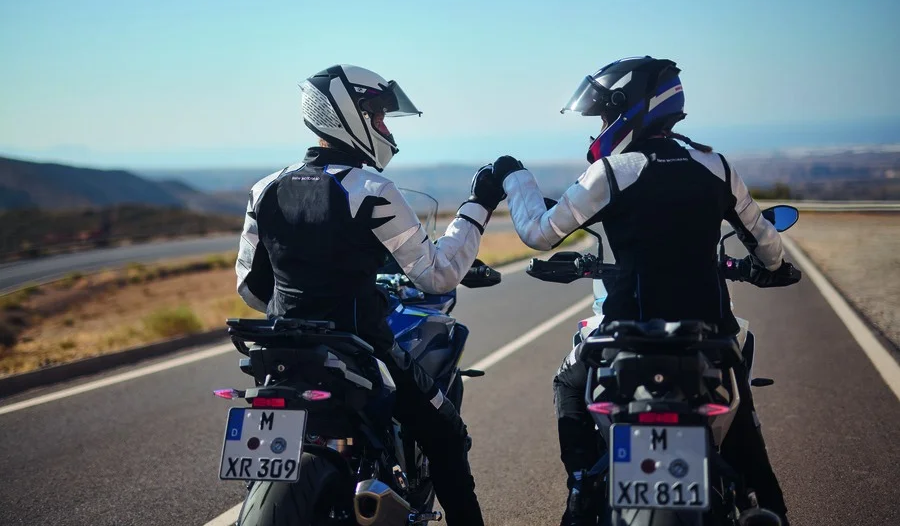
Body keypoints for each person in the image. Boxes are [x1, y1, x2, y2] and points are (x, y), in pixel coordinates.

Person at [489, 56, 801, 526]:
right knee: (743, 426)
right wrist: (772, 268)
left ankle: (579, 487)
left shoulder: (613, 172)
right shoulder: (715, 165)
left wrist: (514, 176)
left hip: (623, 337)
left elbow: (538, 233)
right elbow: (765, 240)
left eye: (603, 114)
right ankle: (768, 506)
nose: (600, 125)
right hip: (711, 334)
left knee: (566, 382)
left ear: (630, 106)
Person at [235, 64, 503, 526]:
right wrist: (477, 207)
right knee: (446, 434)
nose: (383, 129)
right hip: (359, 348)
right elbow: (436, 277)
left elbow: (251, 287)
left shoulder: (266, 188)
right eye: (377, 116)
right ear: (344, 114)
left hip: (279, 350)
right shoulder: (371, 190)